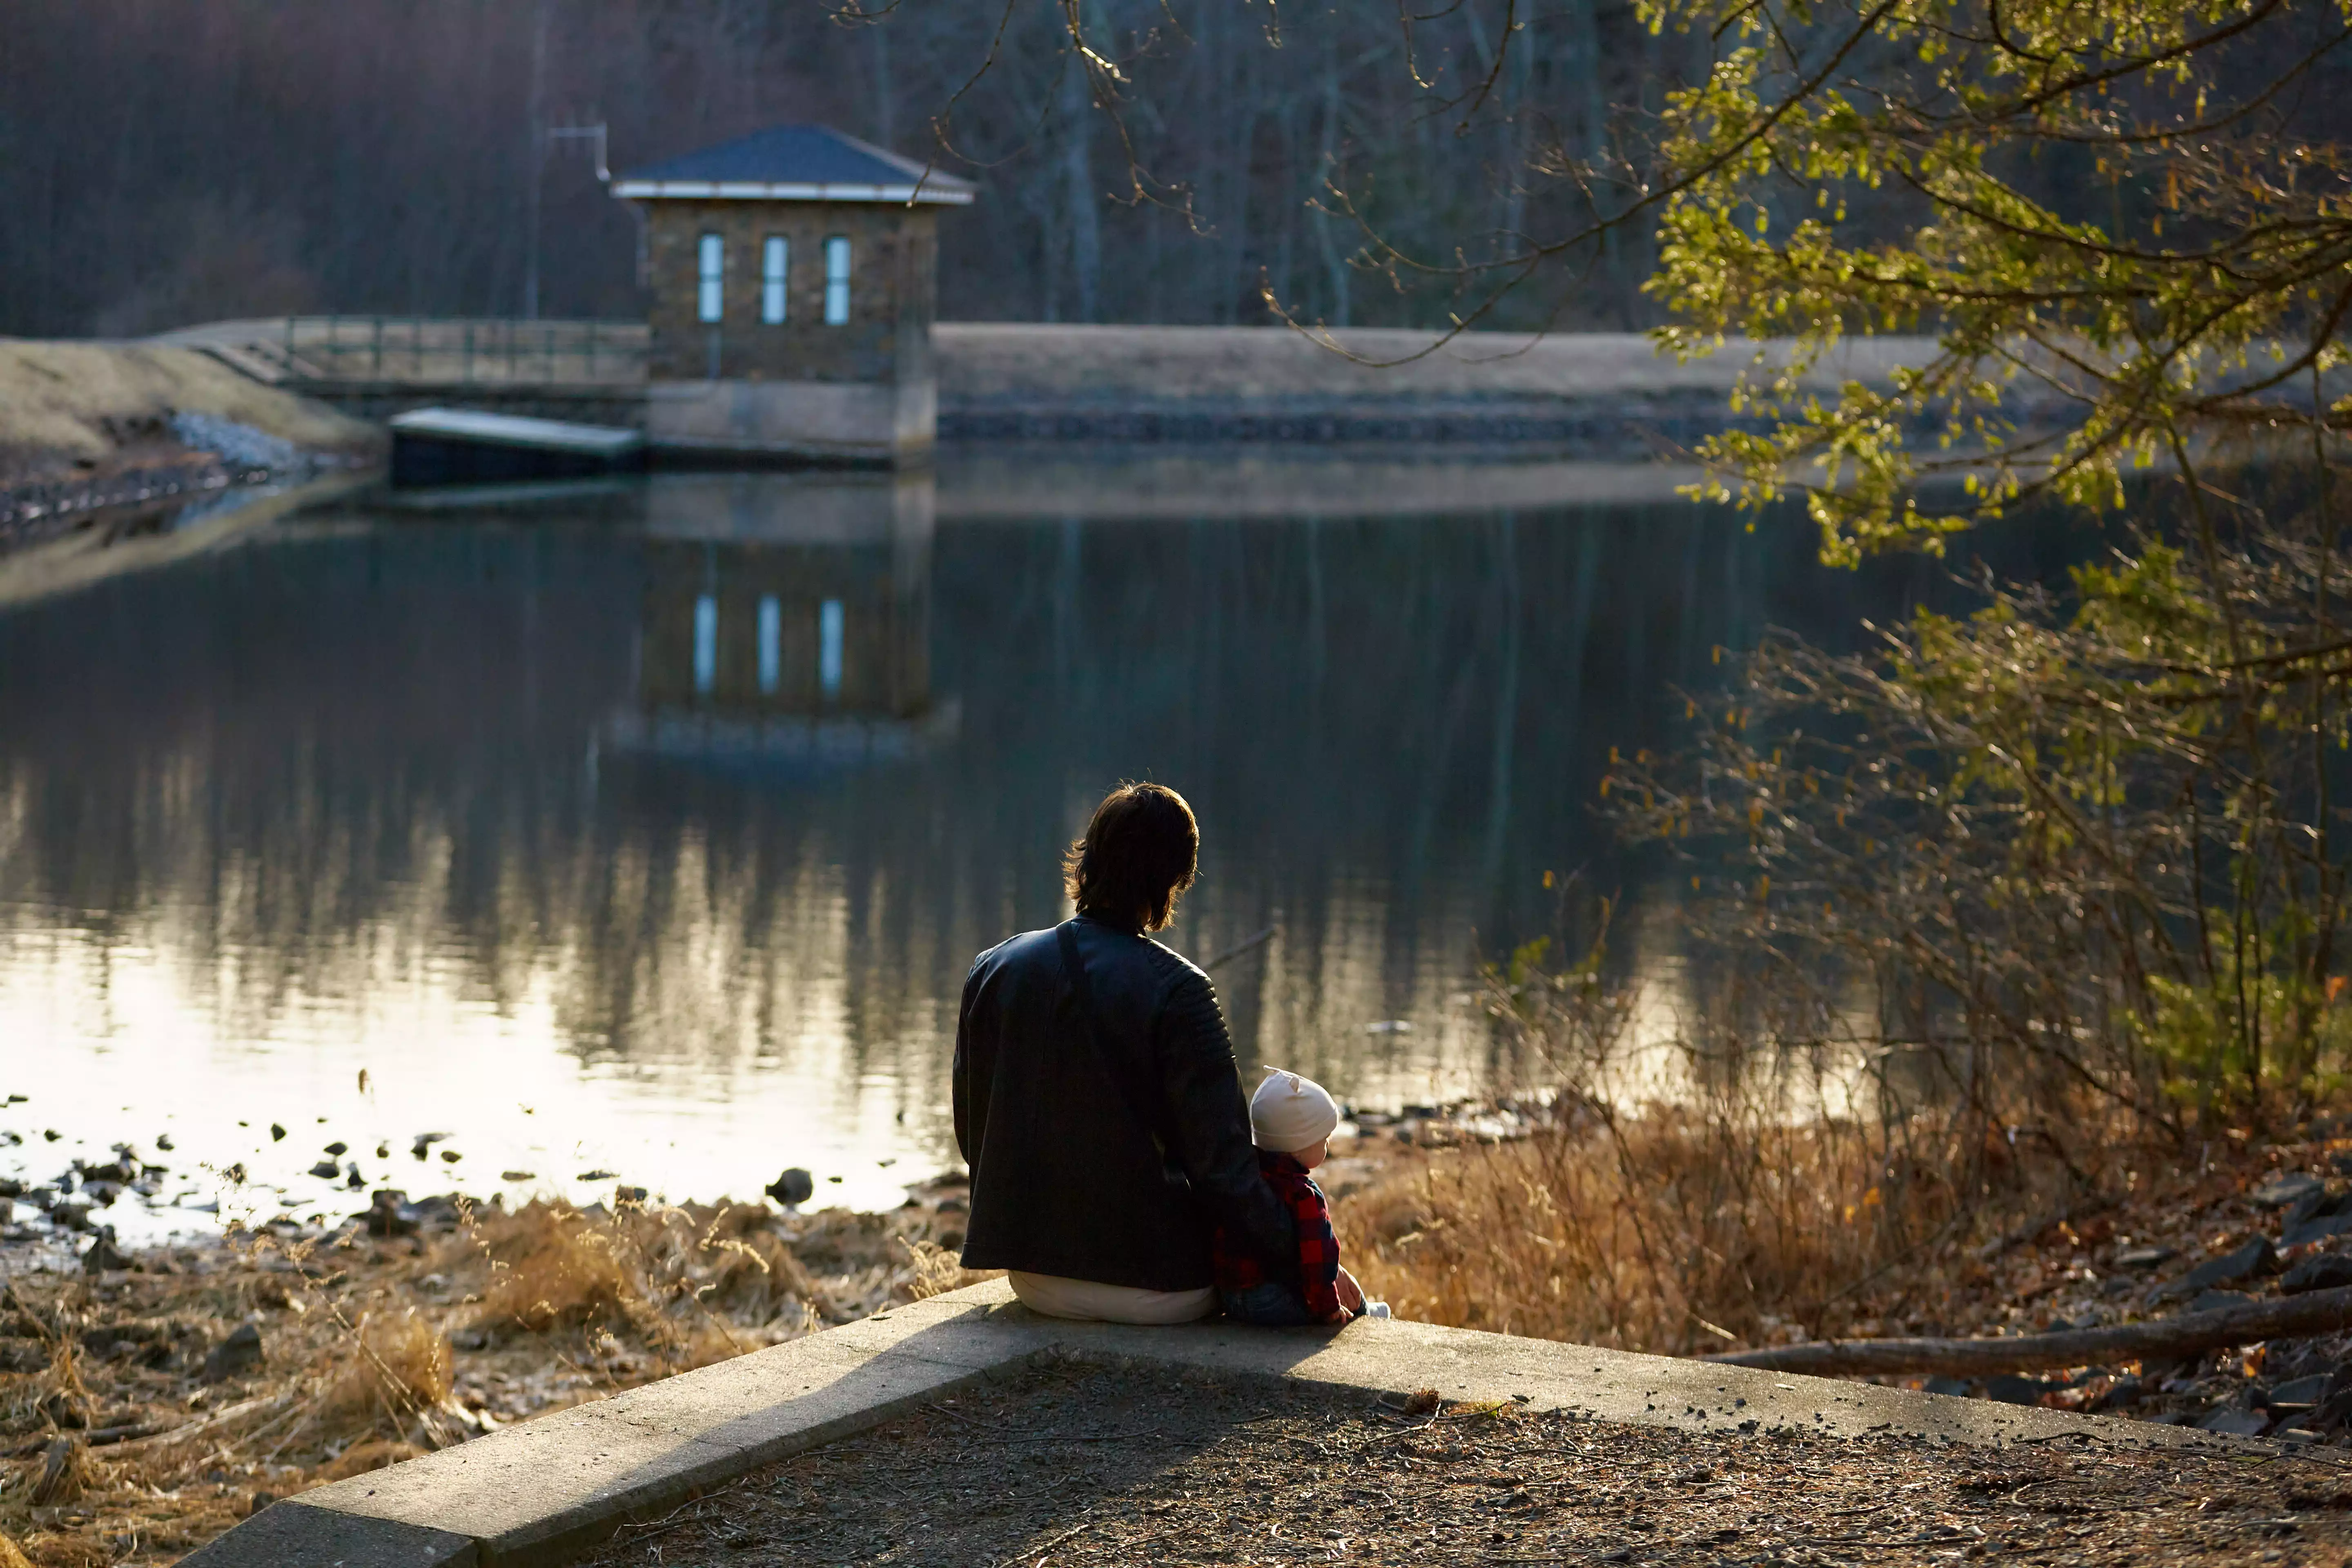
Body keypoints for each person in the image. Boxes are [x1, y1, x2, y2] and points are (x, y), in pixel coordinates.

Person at [953, 782, 1298, 1324]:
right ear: (1175, 880)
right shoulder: (1179, 989)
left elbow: (974, 1130)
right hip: (1159, 1287)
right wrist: (1305, 1256)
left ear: (1088, 859)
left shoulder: (994, 968)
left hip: (1034, 1277)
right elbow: (1224, 1171)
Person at [1214, 1070, 1372, 1326]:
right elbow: (1318, 1263)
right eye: (1324, 1140)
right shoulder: (1304, 1195)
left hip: (1230, 1297)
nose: (1328, 1146)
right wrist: (1328, 1308)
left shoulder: (1246, 1179)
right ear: (1299, 1147)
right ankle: (1368, 1314)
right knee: (1348, 1298)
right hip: (1268, 1303)